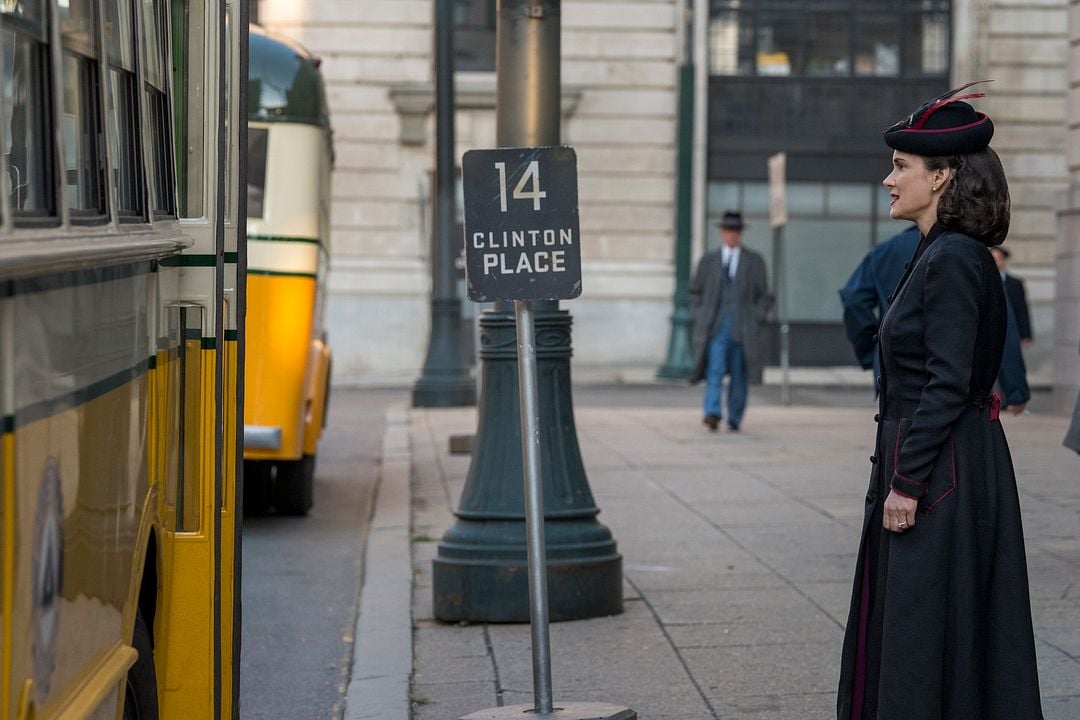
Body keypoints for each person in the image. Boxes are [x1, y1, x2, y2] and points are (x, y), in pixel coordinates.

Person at [836, 83, 1044, 719]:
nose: (889, 179)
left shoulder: (952, 257)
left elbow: (948, 382)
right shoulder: (942, 251)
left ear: (945, 177)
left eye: (903, 167)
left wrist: (907, 482)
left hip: (941, 469)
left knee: (925, 625)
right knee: (927, 622)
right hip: (947, 462)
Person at [840, 227, 1031, 412]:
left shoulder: (884, 251)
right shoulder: (967, 250)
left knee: (896, 439)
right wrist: (1016, 389)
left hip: (895, 372)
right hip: (952, 375)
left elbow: (853, 299)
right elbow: (1000, 325)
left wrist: (873, 353)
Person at [689, 211, 770, 432]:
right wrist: (699, 314)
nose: (732, 235)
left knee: (739, 374)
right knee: (714, 369)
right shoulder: (708, 261)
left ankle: (734, 417)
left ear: (740, 234)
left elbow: (765, 295)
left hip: (743, 329)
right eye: (728, 231)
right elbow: (695, 292)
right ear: (722, 233)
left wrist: (756, 316)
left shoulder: (754, 261)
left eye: (736, 231)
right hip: (715, 327)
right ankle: (712, 412)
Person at [990, 245, 1033, 347]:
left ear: (1003, 260)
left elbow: (1021, 310)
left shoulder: (1015, 283)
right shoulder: (985, 280)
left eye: (997, 259)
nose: (995, 262)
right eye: (992, 259)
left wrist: (1026, 335)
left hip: (1011, 331)